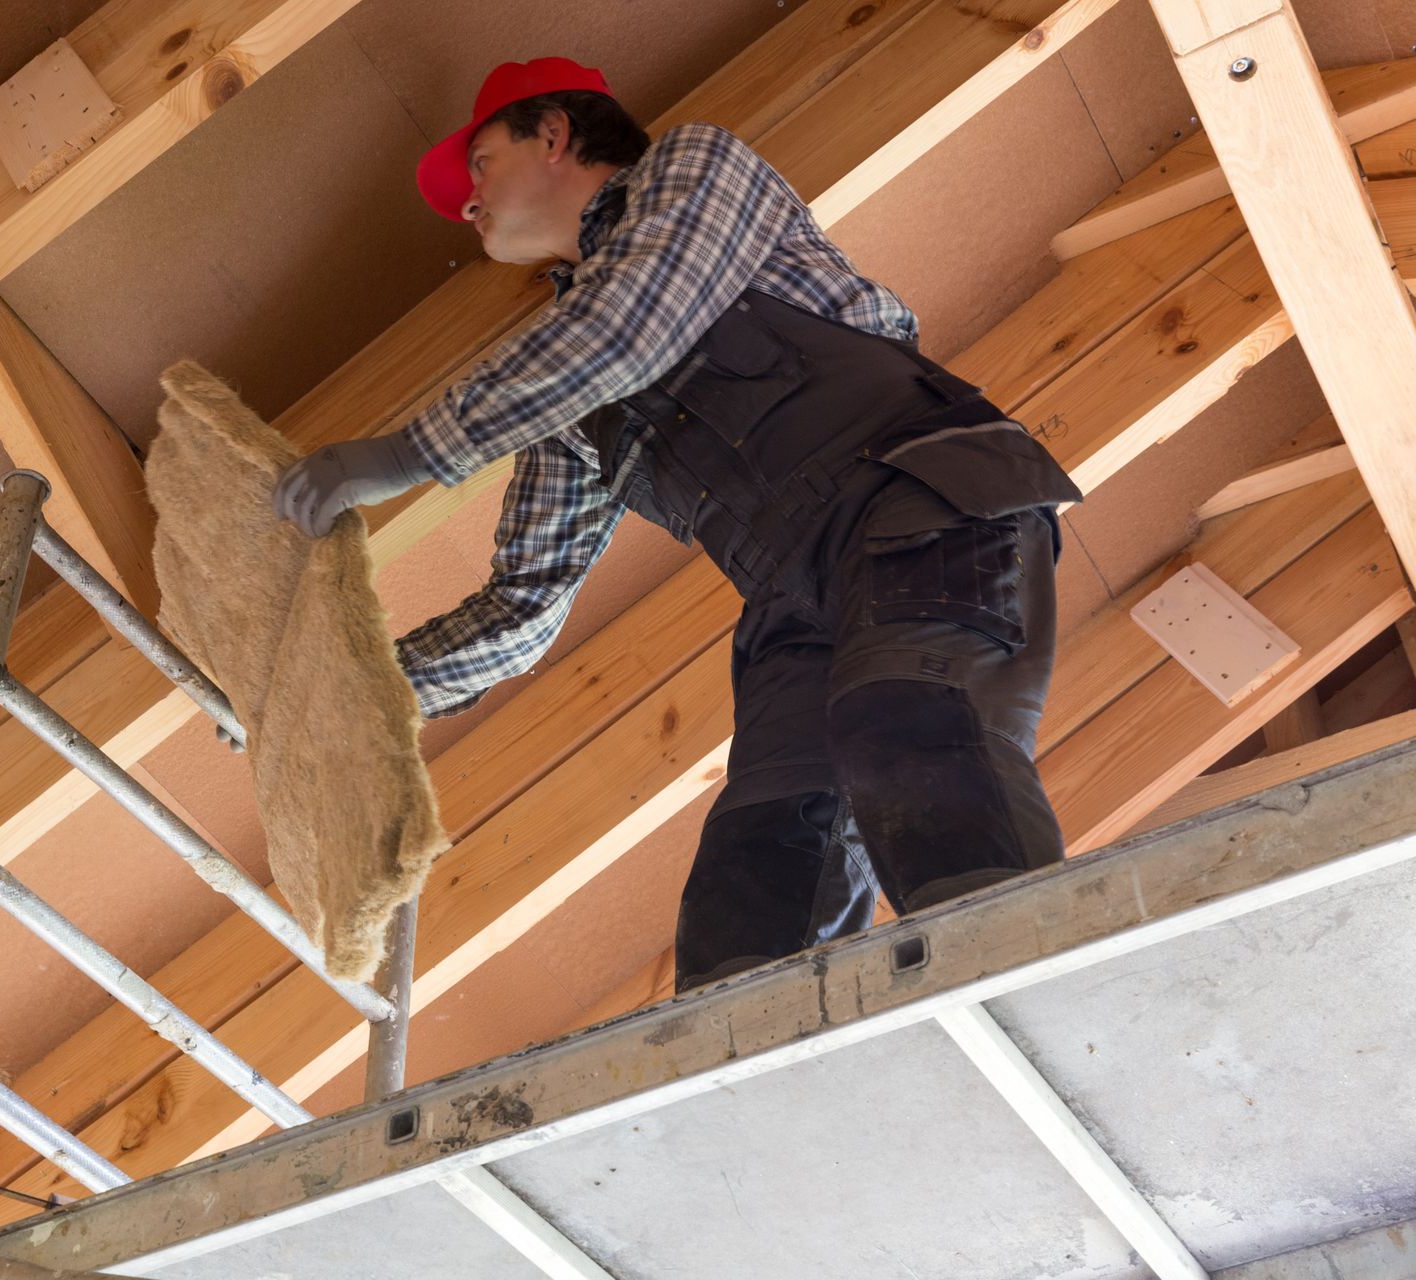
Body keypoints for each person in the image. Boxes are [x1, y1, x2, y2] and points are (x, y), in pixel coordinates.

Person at [272, 57, 1082, 992]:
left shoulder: (697, 169)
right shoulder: (567, 396)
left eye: (480, 165)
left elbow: (628, 329)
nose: (467, 205)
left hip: (919, 504)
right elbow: (524, 603)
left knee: (910, 723)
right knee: (759, 857)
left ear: (554, 135)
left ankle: (1039, 997)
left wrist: (404, 456)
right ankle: (750, 1085)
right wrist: (348, 689)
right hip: (796, 605)